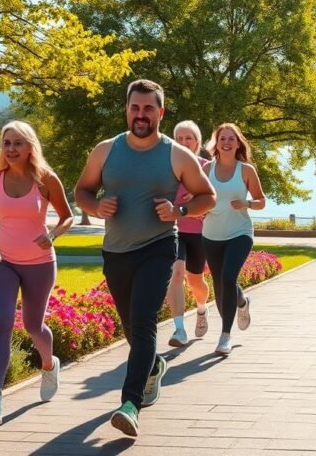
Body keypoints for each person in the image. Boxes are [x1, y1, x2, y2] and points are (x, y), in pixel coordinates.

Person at [75, 79, 215, 438]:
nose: (141, 114)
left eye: (148, 108)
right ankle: (153, 366)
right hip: (116, 251)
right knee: (131, 329)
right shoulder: (105, 151)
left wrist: (180, 208)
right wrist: (95, 206)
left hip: (158, 246)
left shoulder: (175, 154)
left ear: (160, 112)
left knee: (143, 321)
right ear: (126, 110)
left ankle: (130, 404)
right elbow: (82, 191)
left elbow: (207, 196)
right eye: (135, 107)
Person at [0, 121, 74, 425]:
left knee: (32, 326)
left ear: (30, 147)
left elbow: (67, 217)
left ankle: (48, 363)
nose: (12, 149)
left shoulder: (46, 179)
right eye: (7, 143)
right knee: (2, 321)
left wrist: (52, 235)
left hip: (40, 262)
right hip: (2, 261)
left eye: (18, 143)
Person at [201, 122, 266, 356]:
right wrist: (200, 209)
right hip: (211, 234)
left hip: (240, 232)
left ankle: (225, 335)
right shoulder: (206, 169)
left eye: (231, 139)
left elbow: (261, 200)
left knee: (228, 277)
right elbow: (198, 198)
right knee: (220, 284)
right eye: (222, 139)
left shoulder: (246, 170)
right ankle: (242, 302)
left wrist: (247, 203)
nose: (226, 143)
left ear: (238, 143)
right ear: (216, 144)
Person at [165, 120, 212, 346]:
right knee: (176, 272)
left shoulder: (207, 167)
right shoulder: (167, 166)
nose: (184, 142)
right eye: (179, 138)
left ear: (197, 142)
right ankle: (179, 330)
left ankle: (202, 309)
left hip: (199, 233)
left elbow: (214, 200)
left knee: (196, 282)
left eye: (189, 138)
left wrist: (198, 202)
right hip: (173, 231)